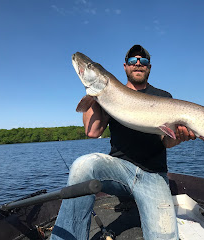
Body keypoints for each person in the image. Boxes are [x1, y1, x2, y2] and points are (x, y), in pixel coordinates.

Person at [51, 45, 196, 240]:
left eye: (143, 61)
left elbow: (166, 142)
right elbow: (92, 131)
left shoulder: (163, 97)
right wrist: (93, 92)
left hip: (153, 175)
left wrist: (179, 137)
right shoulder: (107, 93)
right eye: (132, 61)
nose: (138, 63)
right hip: (118, 171)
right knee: (82, 166)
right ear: (125, 67)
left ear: (149, 67)